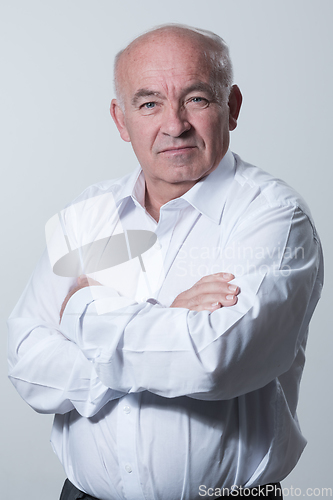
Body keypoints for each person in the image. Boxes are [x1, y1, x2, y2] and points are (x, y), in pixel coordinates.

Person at [7, 24, 323, 500]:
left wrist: (81, 312)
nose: (174, 125)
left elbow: (213, 361)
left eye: (196, 99)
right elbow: (26, 361)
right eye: (149, 103)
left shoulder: (273, 217)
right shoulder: (89, 216)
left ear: (232, 107)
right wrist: (169, 317)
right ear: (121, 119)